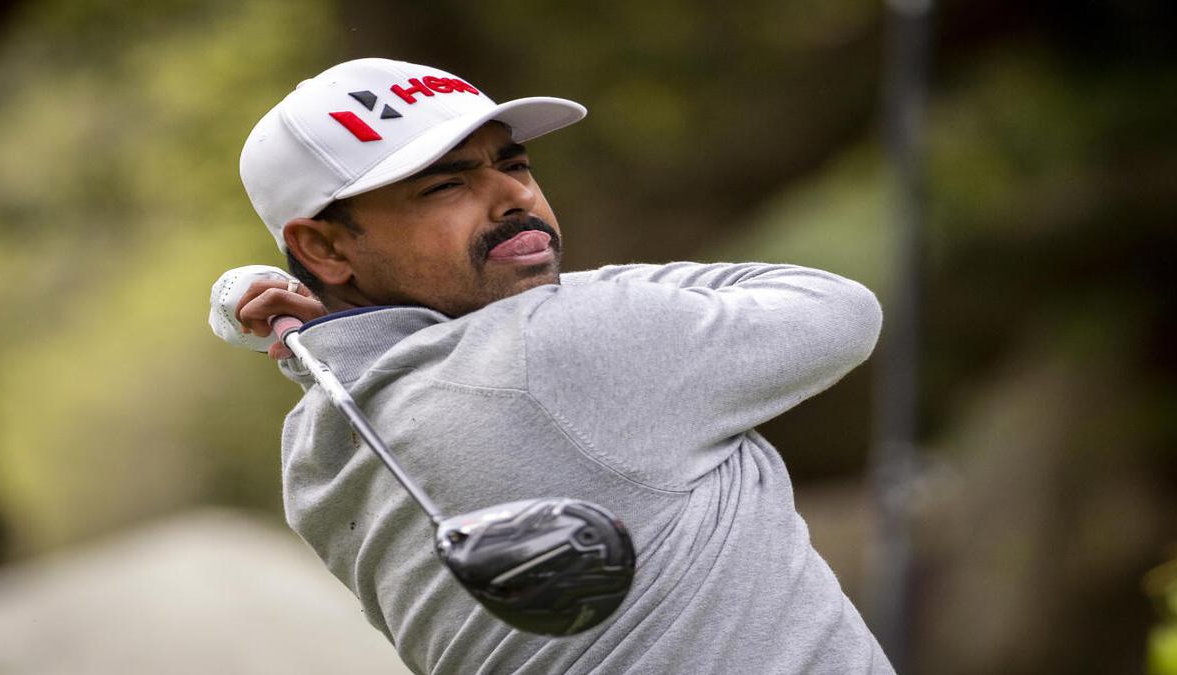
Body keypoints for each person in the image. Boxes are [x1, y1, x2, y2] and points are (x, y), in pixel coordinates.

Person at [234, 57, 894, 674]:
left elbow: (366, 356)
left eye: (513, 164)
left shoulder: (316, 454)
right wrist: (555, 282)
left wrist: (321, 312)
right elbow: (838, 306)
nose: (512, 199)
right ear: (323, 245)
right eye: (445, 185)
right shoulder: (559, 345)